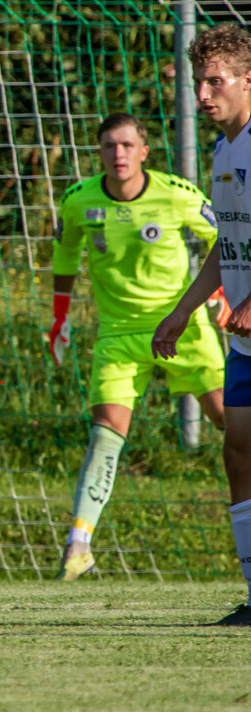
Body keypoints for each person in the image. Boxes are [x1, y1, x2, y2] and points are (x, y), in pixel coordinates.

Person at [50, 112, 225, 581]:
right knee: (106, 433)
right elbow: (64, 254)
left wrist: (225, 294)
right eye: (110, 145)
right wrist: (59, 316)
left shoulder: (177, 193)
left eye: (128, 145)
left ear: (145, 151)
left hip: (183, 327)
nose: (119, 154)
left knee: (231, 421)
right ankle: (78, 545)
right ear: (99, 152)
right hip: (118, 334)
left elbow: (223, 236)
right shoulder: (78, 199)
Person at [152, 23, 251, 624]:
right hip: (244, 344)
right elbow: (226, 243)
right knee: (238, 454)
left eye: (216, 81)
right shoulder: (222, 151)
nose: (203, 94)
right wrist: (184, 308)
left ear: (248, 80)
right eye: (198, 82)